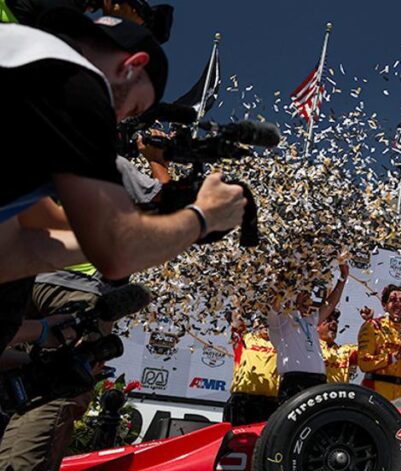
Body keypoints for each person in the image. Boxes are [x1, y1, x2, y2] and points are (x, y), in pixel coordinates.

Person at [0, 12, 246, 353]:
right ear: (132, 65)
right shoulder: (76, 89)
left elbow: (15, 252)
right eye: (132, 108)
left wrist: (39, 331)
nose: (118, 121)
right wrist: (202, 217)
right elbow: (118, 252)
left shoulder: (21, 47)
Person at [267, 260, 347, 403]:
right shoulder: (280, 321)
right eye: (303, 294)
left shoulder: (310, 321)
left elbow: (330, 305)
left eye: (308, 295)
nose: (308, 299)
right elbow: (275, 303)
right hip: (294, 383)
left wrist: (343, 278)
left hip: (318, 383)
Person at [358, 284, 401, 401]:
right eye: (393, 300)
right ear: (384, 306)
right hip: (375, 393)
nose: (398, 304)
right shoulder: (373, 326)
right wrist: (394, 357)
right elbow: (363, 363)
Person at [224, 315, 279, 426]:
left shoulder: (280, 342)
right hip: (243, 399)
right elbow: (236, 318)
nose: (265, 325)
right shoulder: (245, 338)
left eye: (267, 321)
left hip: (270, 402)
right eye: (261, 321)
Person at [318, 309, 357, 385]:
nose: (334, 323)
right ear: (316, 326)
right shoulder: (309, 347)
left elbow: (367, 350)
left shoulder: (346, 351)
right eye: (328, 320)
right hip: (314, 395)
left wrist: (369, 322)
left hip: (340, 395)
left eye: (336, 321)